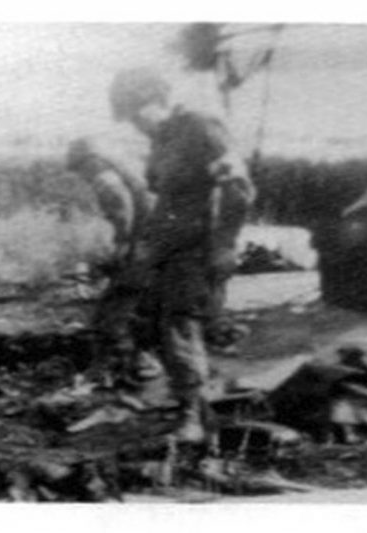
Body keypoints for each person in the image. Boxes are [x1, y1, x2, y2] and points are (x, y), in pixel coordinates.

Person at [100, 68, 255, 441]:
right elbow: (164, 198)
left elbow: (238, 187)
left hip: (197, 248)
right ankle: (189, 402)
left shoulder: (200, 127)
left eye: (139, 115)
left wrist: (225, 244)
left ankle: (193, 420)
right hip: (166, 247)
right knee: (149, 321)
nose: (137, 125)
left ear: (159, 101)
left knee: (179, 324)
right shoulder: (161, 139)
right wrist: (142, 247)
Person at [66, 137, 155, 263]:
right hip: (149, 225)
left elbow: (122, 208)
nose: (80, 174)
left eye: (79, 167)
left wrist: (121, 246)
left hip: (148, 231)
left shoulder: (104, 178)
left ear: (91, 161)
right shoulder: (113, 170)